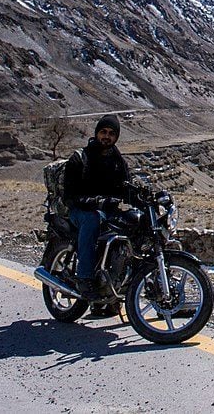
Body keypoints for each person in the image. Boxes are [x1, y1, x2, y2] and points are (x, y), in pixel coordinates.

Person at [62, 114, 130, 300]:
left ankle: (116, 280)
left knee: (132, 223)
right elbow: (70, 196)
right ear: (96, 133)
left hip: (107, 210)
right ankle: (84, 277)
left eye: (111, 133)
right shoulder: (80, 159)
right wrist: (96, 202)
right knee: (92, 220)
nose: (106, 136)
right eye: (103, 132)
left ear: (116, 137)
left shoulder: (118, 161)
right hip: (81, 211)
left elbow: (126, 187)